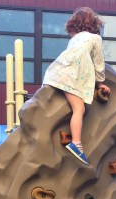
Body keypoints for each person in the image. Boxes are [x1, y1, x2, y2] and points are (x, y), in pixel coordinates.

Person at [43, 7, 111, 166]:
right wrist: (100, 83)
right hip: (72, 76)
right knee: (79, 109)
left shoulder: (73, 40)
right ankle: (76, 143)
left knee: (74, 107)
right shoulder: (95, 38)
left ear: (74, 26)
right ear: (94, 25)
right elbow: (99, 63)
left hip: (58, 72)